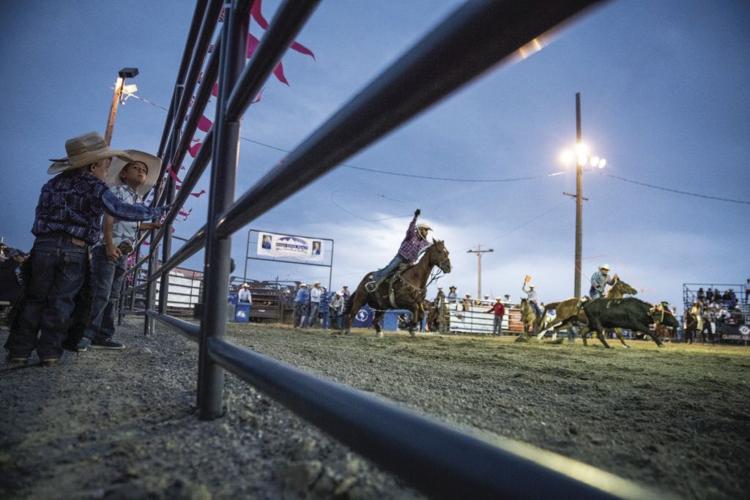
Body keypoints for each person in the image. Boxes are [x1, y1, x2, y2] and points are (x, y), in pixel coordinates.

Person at [5, 132, 169, 366]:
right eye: (106, 166)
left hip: (44, 245)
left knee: (35, 298)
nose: (106, 172)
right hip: (75, 247)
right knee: (63, 300)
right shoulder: (94, 186)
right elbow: (119, 209)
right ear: (93, 166)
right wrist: (156, 211)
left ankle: (19, 351)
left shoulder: (52, 184)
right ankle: (49, 352)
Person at [78, 151, 162, 351]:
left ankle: (103, 335)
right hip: (109, 248)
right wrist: (108, 245)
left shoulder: (137, 199)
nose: (141, 172)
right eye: (136, 168)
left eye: (144, 170)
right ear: (124, 174)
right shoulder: (116, 191)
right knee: (102, 293)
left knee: (113, 294)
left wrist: (148, 226)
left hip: (122, 251)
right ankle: (87, 336)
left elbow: (128, 223)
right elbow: (108, 219)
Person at [367, 209, 431, 291]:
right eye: (426, 230)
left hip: (409, 262)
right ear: (420, 229)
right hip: (400, 257)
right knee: (389, 269)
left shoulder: (424, 243)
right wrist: (416, 217)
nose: (427, 232)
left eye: (427, 230)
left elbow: (431, 246)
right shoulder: (411, 235)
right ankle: (374, 279)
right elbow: (411, 227)